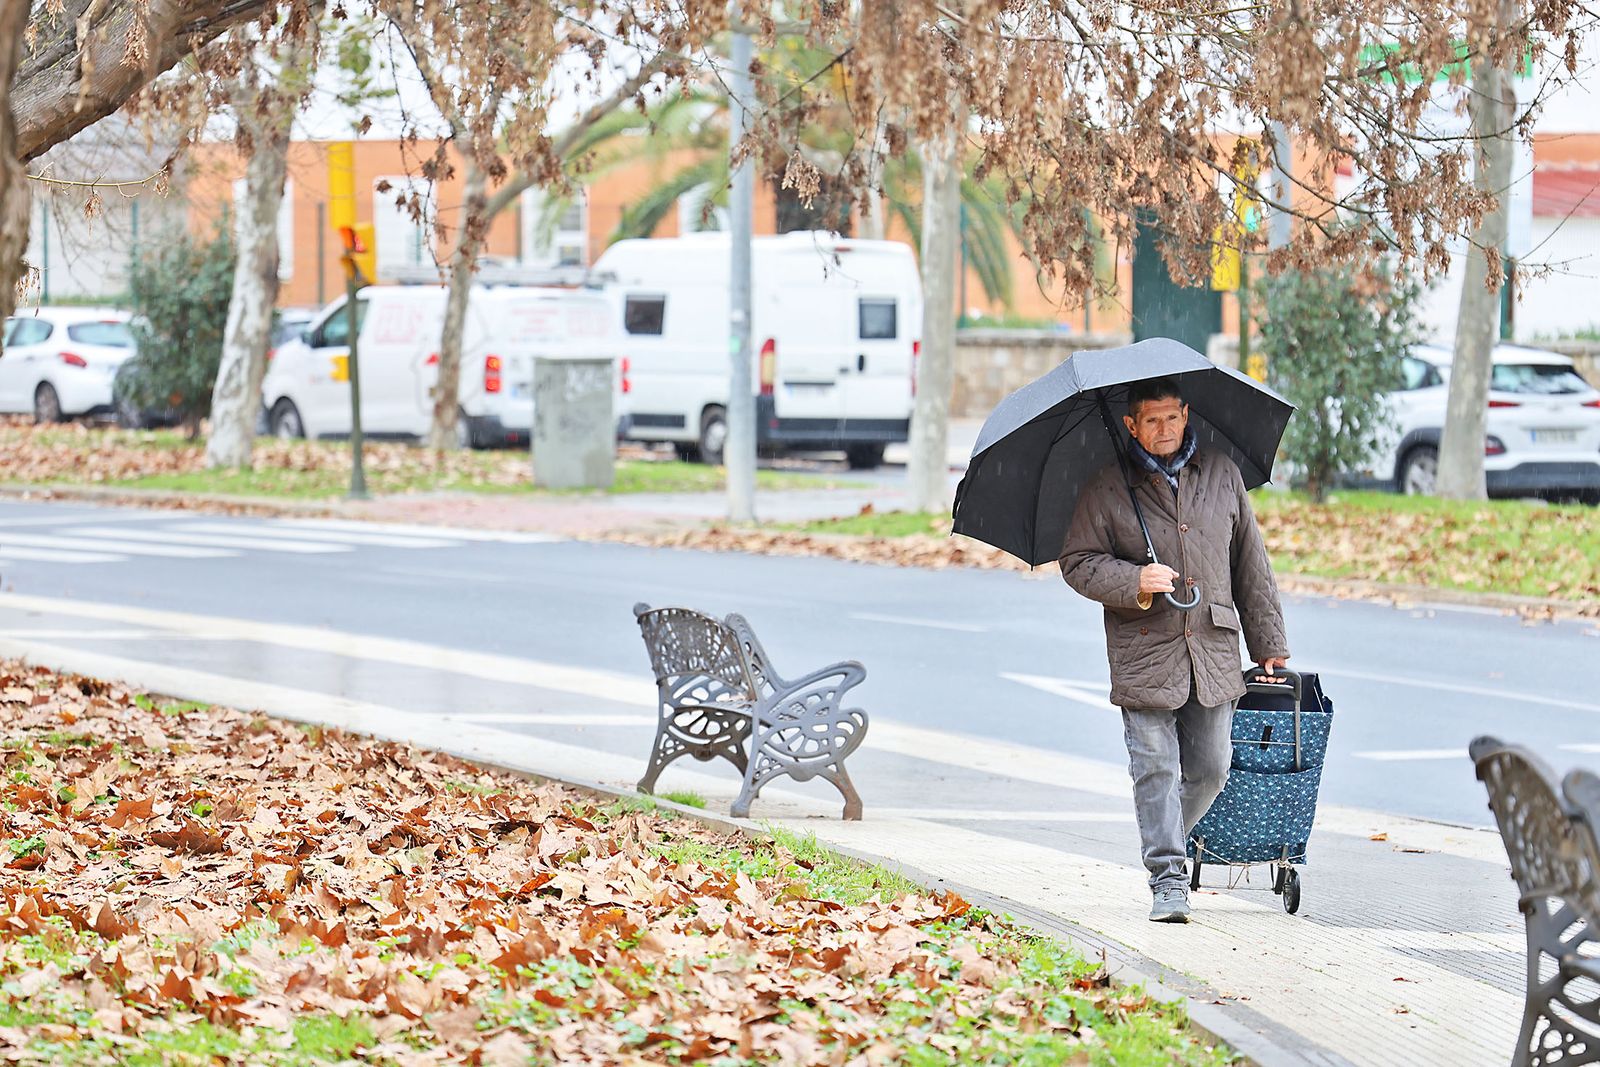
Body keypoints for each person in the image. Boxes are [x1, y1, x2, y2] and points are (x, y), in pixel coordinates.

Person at [1060, 377, 1289, 923]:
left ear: (1186, 415)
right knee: (1155, 769)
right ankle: (1167, 878)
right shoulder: (1108, 487)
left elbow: (1251, 566)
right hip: (1144, 653)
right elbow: (1078, 562)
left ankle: (1163, 838)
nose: (1163, 430)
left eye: (1172, 418)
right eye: (1151, 421)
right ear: (1131, 426)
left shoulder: (1222, 476)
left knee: (1211, 770)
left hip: (1211, 649)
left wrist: (1270, 644)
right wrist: (1136, 579)